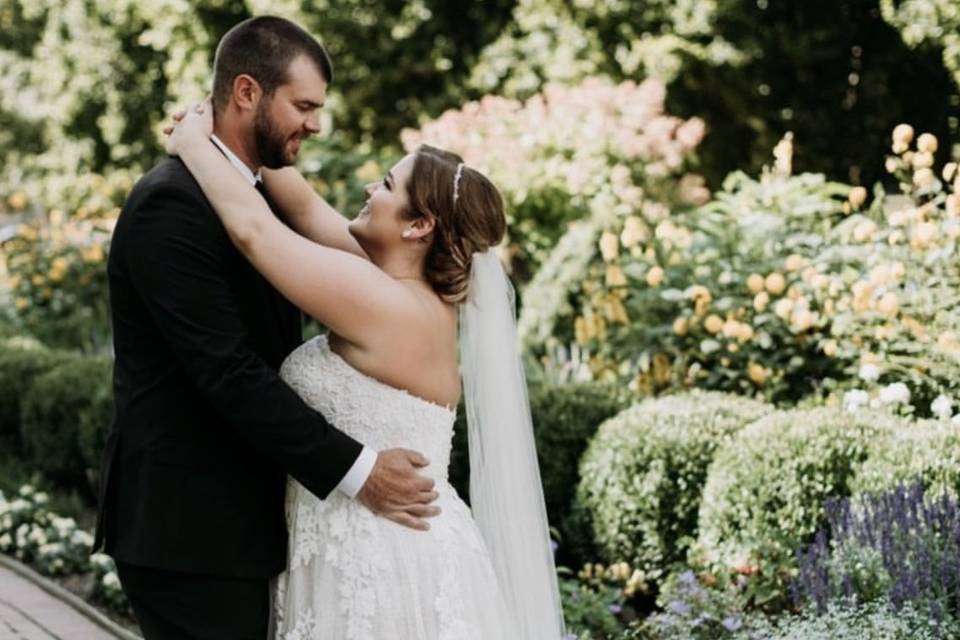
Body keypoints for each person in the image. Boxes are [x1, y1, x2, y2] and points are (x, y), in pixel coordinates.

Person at [164, 75, 564, 640]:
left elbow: (254, 232)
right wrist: (232, 125)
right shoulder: (396, 286)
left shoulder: (382, 303)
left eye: (386, 184)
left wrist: (191, 144)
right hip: (366, 542)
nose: (369, 190)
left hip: (384, 562)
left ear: (418, 225)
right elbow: (300, 204)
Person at [93, 16, 440, 639]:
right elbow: (228, 372)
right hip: (190, 532)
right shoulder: (171, 203)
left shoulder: (259, 200)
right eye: (303, 106)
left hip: (251, 530)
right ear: (247, 92)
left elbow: (289, 215)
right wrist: (361, 472)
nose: (315, 124)